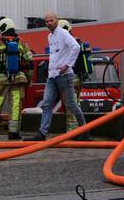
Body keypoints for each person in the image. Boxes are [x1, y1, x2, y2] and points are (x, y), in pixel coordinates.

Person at [28, 12, 87, 141]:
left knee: (71, 104)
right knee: (47, 104)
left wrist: (67, 65)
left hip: (64, 75)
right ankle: (42, 133)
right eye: (47, 21)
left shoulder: (63, 33)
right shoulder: (50, 36)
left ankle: (84, 130)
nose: (49, 23)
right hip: (52, 76)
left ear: (57, 20)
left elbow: (75, 47)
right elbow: (55, 55)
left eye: (51, 20)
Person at [0, 18, 33, 140]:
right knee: (16, 104)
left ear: (3, 29)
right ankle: (14, 132)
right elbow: (30, 63)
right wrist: (28, 79)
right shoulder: (23, 43)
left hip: (1, 80)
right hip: (18, 79)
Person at [58, 19, 93, 134]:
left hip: (70, 79)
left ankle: (72, 131)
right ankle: (79, 130)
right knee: (75, 103)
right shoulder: (77, 41)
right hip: (78, 78)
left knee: (71, 105)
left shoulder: (66, 43)